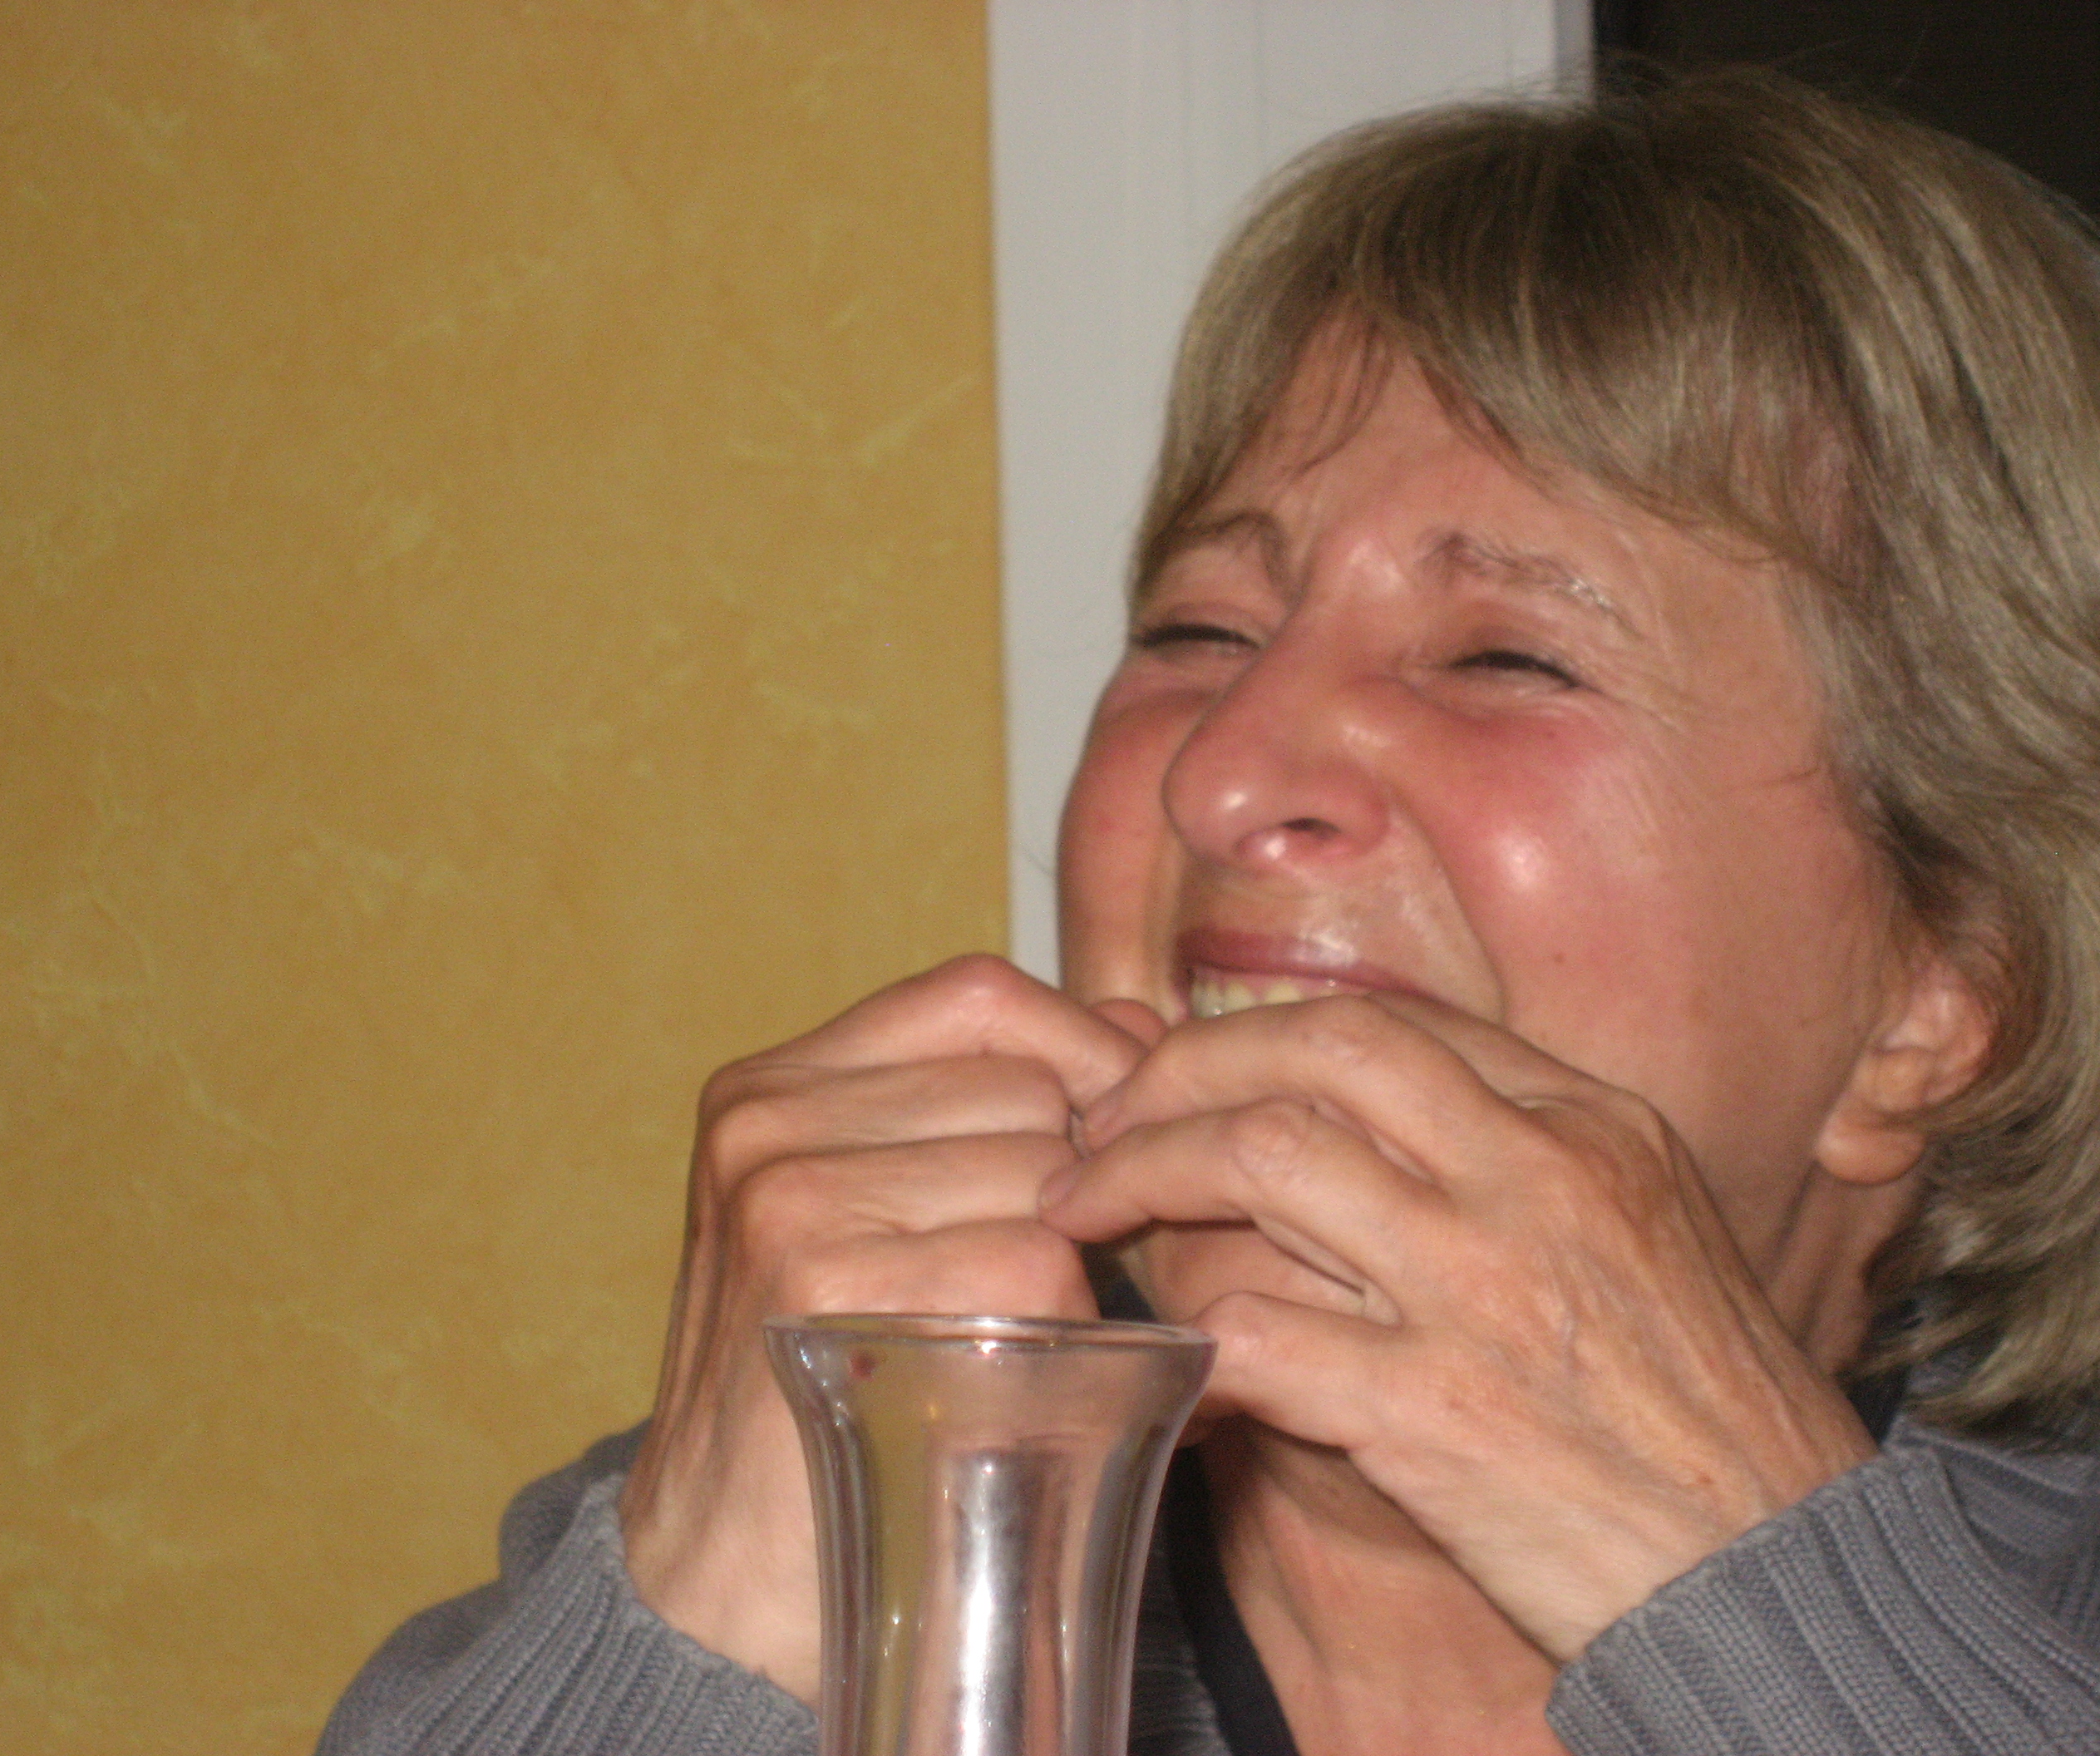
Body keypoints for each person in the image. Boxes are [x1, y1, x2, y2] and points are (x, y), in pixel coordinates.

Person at [318, 67, 2100, 1755]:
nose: (1224, 772)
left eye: (1503, 656)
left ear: (1941, 989)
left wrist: (1772, 1621)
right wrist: (695, 1651)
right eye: (1198, 632)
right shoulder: (744, 1549)